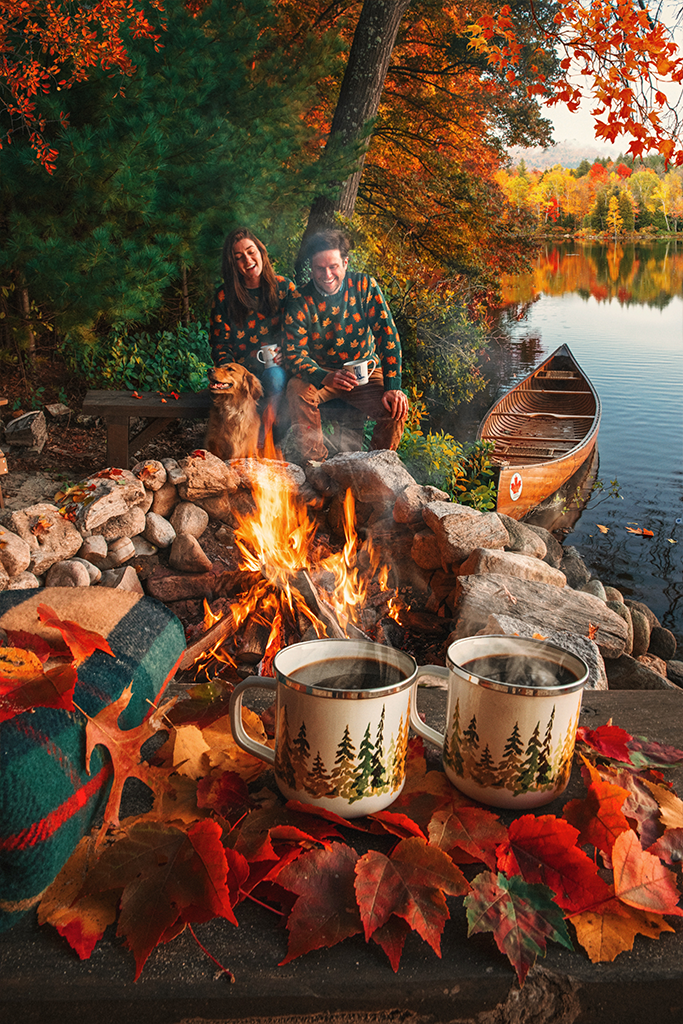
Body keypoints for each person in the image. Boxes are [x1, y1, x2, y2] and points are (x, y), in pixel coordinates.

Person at [283, 229, 409, 462]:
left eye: (333, 266)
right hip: (323, 373)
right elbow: (293, 354)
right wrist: (324, 376)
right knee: (296, 390)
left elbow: (388, 335)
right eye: (320, 268)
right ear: (312, 268)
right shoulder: (300, 299)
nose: (327, 274)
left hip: (365, 372)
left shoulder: (364, 286)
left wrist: (393, 385)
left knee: (396, 407)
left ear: (345, 262)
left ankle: (376, 466)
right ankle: (316, 465)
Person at [209, 228, 296, 436]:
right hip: (241, 373)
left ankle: (266, 434)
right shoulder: (224, 296)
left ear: (261, 252)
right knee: (240, 388)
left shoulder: (285, 288)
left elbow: (300, 333)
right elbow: (220, 345)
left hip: (278, 370)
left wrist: (288, 352)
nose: (247, 260)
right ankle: (244, 442)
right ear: (233, 265)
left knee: (275, 376)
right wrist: (233, 374)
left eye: (250, 251)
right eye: (238, 257)